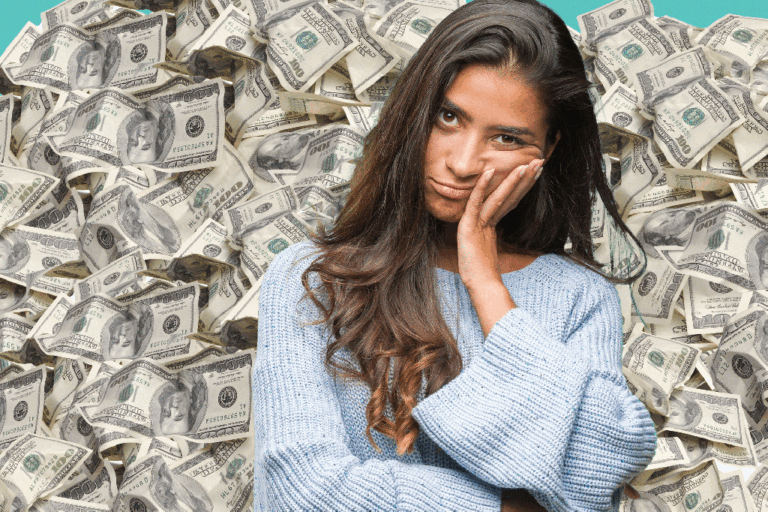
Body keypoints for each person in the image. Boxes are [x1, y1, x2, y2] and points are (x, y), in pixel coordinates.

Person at [253, 1, 657, 511]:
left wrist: (485, 284)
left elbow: (598, 478)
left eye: (507, 137)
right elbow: (305, 492)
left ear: (548, 149)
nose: (462, 163)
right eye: (448, 117)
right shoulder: (312, 277)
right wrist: (512, 507)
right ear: (415, 108)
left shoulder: (580, 299)